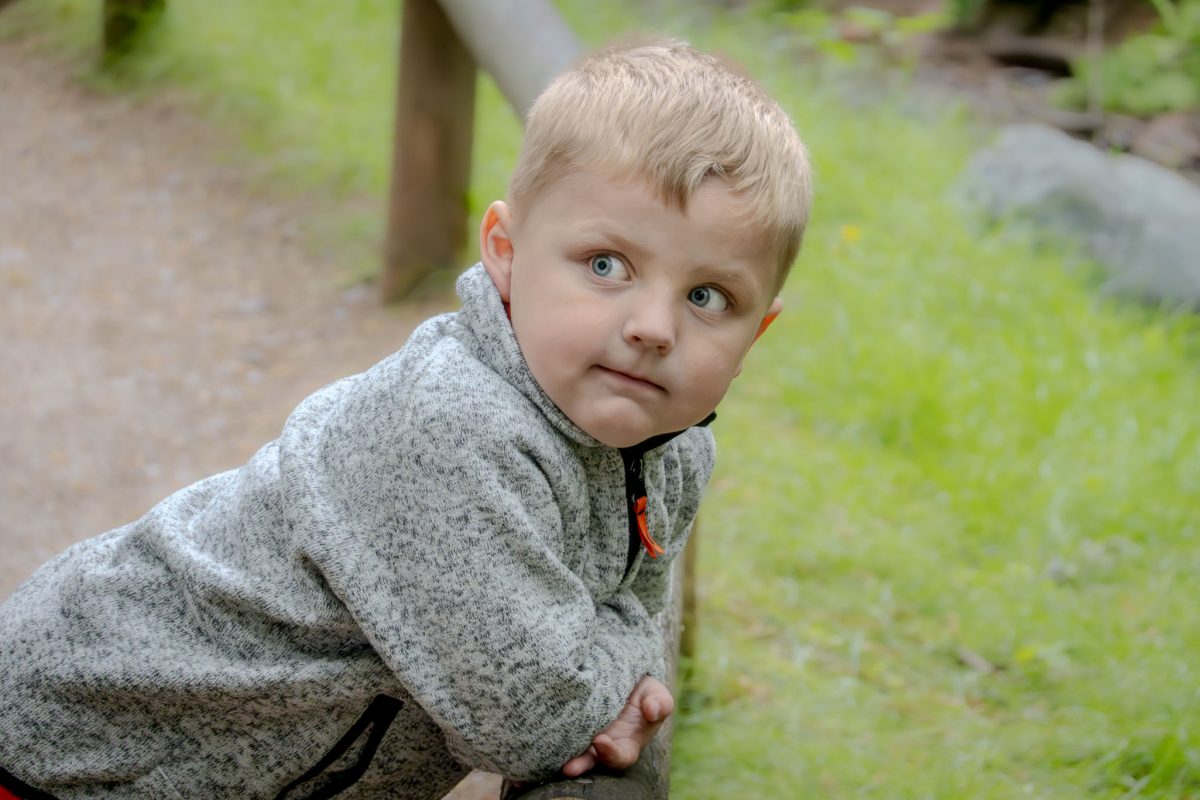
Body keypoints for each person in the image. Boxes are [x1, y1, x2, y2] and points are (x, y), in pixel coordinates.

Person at [0, 39, 811, 799]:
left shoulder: (671, 452)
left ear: (756, 333)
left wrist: (610, 670)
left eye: (708, 297)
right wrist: (619, 676)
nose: (653, 326)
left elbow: (614, 651)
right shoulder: (450, 424)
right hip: (76, 751)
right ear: (505, 248)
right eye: (607, 265)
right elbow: (536, 716)